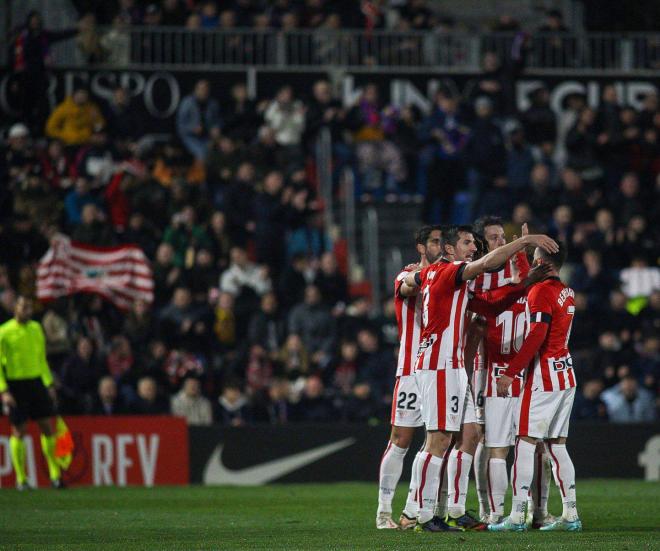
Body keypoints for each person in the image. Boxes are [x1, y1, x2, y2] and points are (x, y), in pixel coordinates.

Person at [402, 226, 557, 531]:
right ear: (449, 249)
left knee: (469, 434)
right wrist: (524, 242)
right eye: (467, 243)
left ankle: (455, 511)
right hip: (439, 365)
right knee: (438, 439)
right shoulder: (450, 271)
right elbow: (486, 264)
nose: (474, 248)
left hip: (453, 366)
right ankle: (420, 514)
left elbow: (490, 305)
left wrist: (525, 282)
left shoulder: (440, 275)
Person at [490, 242, 582, 532]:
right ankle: (570, 515)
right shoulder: (566, 291)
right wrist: (524, 246)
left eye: (532, 260)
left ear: (542, 262)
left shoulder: (540, 292)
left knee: (526, 443)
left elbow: (536, 336)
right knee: (557, 445)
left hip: (543, 377)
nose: (528, 266)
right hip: (565, 374)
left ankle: (517, 517)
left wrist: (510, 372)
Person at [469, 217, 554, 528]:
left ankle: (533, 511)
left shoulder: (497, 284)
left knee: (512, 446)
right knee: (492, 444)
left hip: (514, 375)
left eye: (502, 237)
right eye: (493, 239)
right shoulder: (488, 279)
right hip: (497, 374)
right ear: (481, 244)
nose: (500, 243)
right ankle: (490, 508)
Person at [377, 225, 442, 529]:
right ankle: (383, 512)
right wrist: (429, 274)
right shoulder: (407, 273)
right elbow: (408, 287)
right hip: (410, 370)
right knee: (400, 439)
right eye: (434, 241)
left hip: (440, 366)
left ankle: (416, 509)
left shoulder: (449, 275)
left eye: (443, 241)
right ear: (420, 247)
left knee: (439, 439)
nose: (440, 246)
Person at [0, 296, 63, 489]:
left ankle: (55, 475)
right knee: (19, 430)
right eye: (23, 307)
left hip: (36, 382)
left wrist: (49, 383)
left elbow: (41, 358)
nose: (27, 311)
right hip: (16, 385)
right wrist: (3, 390)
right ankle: (21, 479)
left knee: (47, 426)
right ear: (15, 309)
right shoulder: (4, 331)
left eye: (29, 308)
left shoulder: (36, 329)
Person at [176, 79, 222, 161]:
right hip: (190, 137)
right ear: (195, 89)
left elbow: (218, 120)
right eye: (200, 89)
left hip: (208, 137)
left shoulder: (213, 104)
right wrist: (192, 129)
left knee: (219, 150)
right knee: (202, 153)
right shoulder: (187, 103)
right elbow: (180, 126)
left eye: (205, 89)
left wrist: (216, 128)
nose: (203, 91)